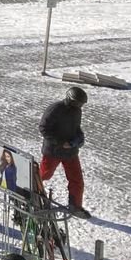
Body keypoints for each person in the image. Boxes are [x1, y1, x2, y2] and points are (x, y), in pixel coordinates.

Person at [39, 86, 89, 217]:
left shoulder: (77, 111)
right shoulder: (55, 109)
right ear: (71, 100)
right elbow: (44, 128)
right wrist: (61, 143)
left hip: (71, 152)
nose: (80, 106)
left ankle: (75, 206)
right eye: (79, 103)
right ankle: (30, 191)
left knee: (77, 180)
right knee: (43, 175)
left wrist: (79, 138)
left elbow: (76, 128)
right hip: (53, 151)